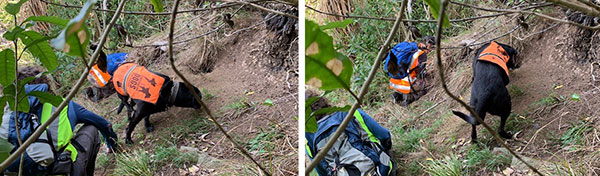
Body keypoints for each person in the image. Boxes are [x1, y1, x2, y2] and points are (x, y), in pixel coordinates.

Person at [1, 82, 120, 175]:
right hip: (65, 169)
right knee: (92, 128)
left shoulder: (10, 117)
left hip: (27, 169)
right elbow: (103, 124)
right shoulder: (62, 105)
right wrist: (112, 144)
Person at [305, 91, 394, 176]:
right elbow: (385, 135)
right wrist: (385, 148)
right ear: (323, 102)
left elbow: (321, 170)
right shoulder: (350, 113)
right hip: (377, 170)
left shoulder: (308, 137)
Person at [385, 36, 435, 106]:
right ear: (428, 45)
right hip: (405, 85)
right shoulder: (421, 55)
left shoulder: (411, 48)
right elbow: (422, 75)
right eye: (432, 48)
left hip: (393, 82)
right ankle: (408, 98)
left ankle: (398, 94)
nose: (430, 51)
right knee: (429, 84)